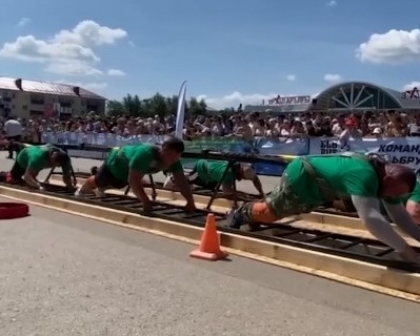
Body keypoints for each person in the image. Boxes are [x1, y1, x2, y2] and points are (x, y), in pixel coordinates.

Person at [226, 152, 420, 262]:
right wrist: (406, 251)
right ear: (387, 179)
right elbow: (371, 219)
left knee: (281, 208)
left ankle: (252, 212)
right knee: (270, 214)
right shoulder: (365, 175)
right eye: (394, 193)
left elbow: (400, 216)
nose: (392, 198)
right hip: (302, 177)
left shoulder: (386, 180)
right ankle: (239, 214)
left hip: (319, 185)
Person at [75, 137, 196, 213]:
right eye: (169, 155)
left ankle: (102, 187)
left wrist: (190, 201)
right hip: (117, 159)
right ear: (162, 149)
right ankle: (83, 189)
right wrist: (145, 201)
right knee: (101, 181)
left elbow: (181, 182)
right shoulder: (145, 155)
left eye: (175, 157)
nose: (170, 160)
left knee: (118, 184)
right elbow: (134, 181)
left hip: (130, 166)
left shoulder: (174, 161)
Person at [163, 159, 265, 198]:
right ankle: (173, 180)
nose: (243, 180)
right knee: (188, 180)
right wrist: (242, 194)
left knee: (210, 188)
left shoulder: (243, 166)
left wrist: (261, 193)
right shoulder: (228, 174)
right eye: (243, 178)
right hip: (202, 170)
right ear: (240, 172)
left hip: (213, 176)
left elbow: (255, 179)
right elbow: (227, 191)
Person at [1, 143, 74, 190]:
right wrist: (38, 187)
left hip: (38, 160)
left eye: (58, 165)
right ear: (52, 157)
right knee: (12, 179)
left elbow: (67, 177)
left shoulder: (66, 160)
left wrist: (70, 187)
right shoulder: (37, 157)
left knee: (33, 177)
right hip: (24, 158)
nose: (57, 167)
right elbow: (27, 176)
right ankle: (3, 175)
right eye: (54, 163)